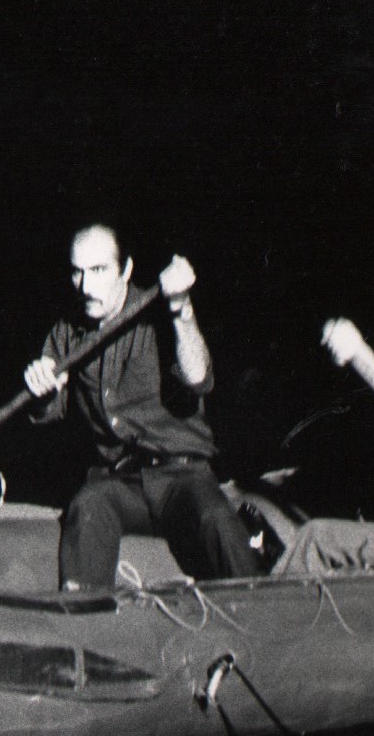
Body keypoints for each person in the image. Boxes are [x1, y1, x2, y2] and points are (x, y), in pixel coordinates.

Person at [21, 224, 260, 592]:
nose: (85, 286)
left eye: (98, 270)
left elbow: (198, 378)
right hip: (119, 484)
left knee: (217, 520)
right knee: (88, 504)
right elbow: (49, 411)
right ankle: (82, 617)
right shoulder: (66, 332)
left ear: (126, 269)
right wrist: (41, 390)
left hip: (183, 478)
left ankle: (265, 611)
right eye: (77, 272)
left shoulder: (161, 315)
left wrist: (182, 308)